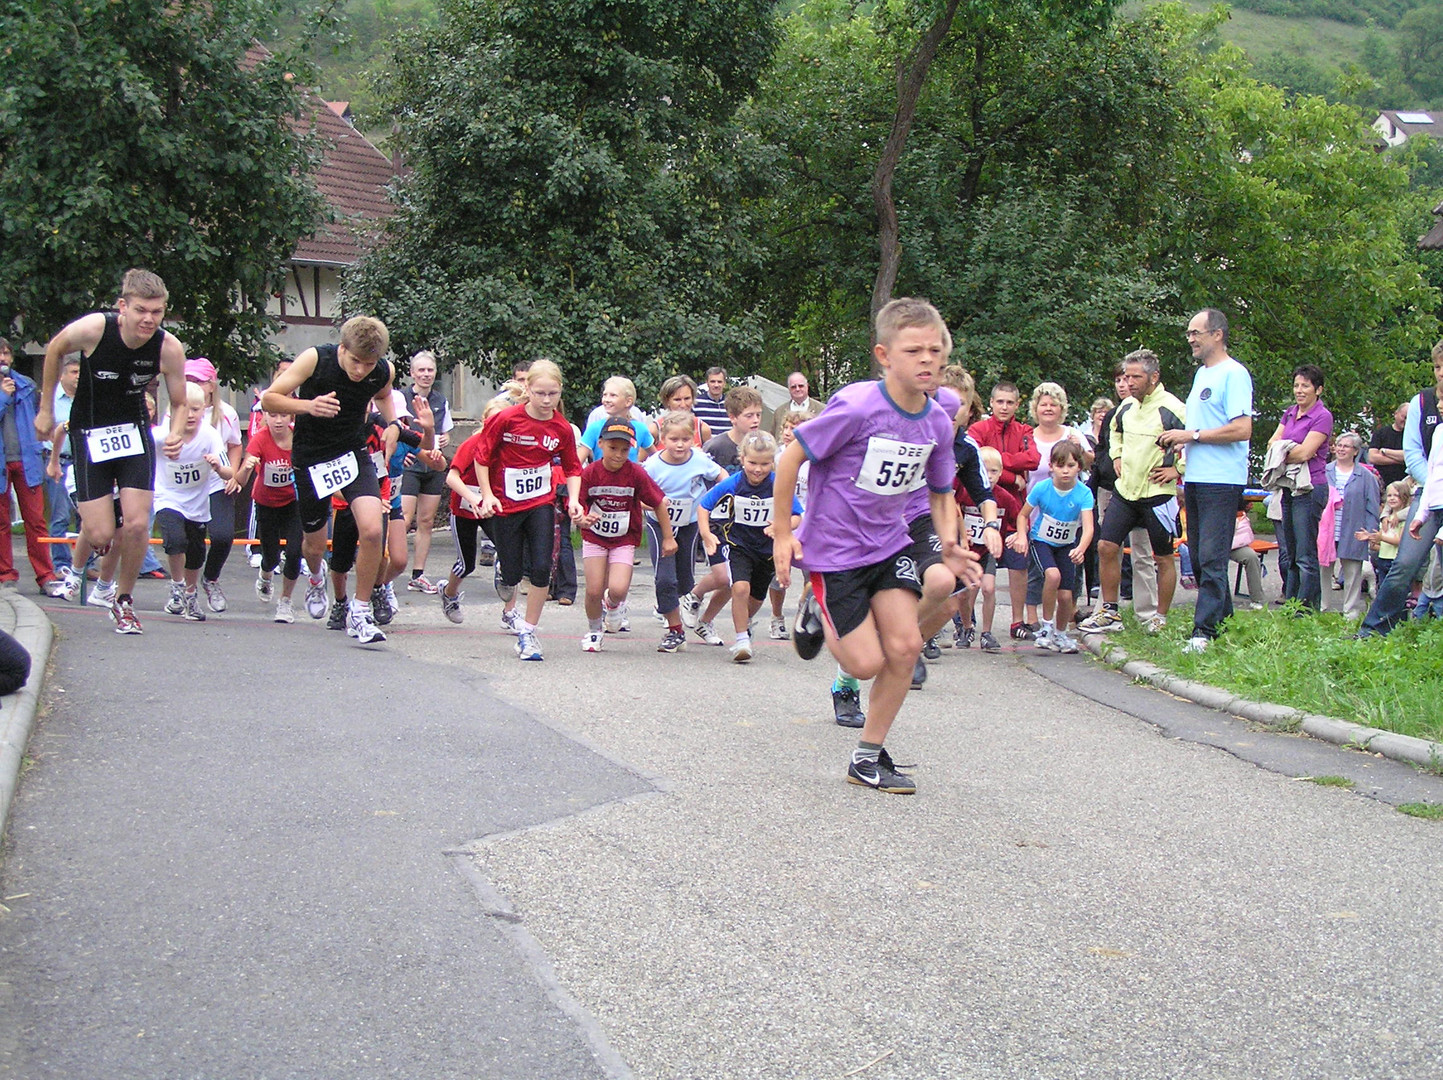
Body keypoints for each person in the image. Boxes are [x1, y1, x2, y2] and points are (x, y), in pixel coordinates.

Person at [773, 297, 978, 795]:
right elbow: (791, 458)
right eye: (913, 351)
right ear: (885, 356)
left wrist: (949, 542)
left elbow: (940, 489)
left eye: (935, 350)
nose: (927, 360)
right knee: (864, 664)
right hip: (835, 550)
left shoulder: (935, 422)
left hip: (889, 545)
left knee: (906, 647)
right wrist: (783, 532)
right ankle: (817, 610)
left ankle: (866, 757)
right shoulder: (859, 405)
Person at [34, 269, 190, 634]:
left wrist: (177, 432)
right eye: (140, 310)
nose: (149, 319)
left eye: (157, 311)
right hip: (89, 433)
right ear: (123, 307)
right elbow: (56, 347)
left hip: (133, 434)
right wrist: (45, 408)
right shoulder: (95, 329)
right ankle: (95, 561)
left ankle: (122, 599)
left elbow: (180, 401)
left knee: (136, 523)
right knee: (102, 534)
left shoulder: (168, 347)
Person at [260, 315, 399, 645]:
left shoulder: (383, 370)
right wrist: (309, 405)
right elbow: (269, 398)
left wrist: (393, 423)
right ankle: (316, 578)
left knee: (372, 528)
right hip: (311, 456)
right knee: (315, 543)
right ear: (342, 348)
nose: (361, 370)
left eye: (369, 363)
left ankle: (360, 611)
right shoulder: (315, 359)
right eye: (355, 361)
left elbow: (383, 396)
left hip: (352, 451)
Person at [471, 360, 584, 660]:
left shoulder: (561, 427)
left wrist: (573, 499)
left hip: (540, 503)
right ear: (527, 390)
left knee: (542, 566)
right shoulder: (506, 419)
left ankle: (528, 632)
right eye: (540, 393)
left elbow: (573, 468)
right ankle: (503, 569)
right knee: (511, 575)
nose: (547, 401)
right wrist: (486, 495)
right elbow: (481, 459)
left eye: (553, 394)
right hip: (506, 505)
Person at [1157, 308, 1254, 652]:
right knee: (1197, 557)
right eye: (1189, 333)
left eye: (1196, 332)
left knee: (1212, 557)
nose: (1191, 339)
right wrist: (1180, 441)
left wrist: (1191, 435)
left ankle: (1204, 632)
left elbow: (1242, 428)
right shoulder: (1201, 375)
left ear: (1217, 334)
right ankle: (1224, 621)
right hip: (1197, 478)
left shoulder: (1234, 374)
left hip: (1222, 480)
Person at [1079, 349, 1185, 636]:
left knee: (1161, 557)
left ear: (1154, 377)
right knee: (1106, 546)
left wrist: (1178, 471)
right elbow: (1113, 431)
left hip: (1158, 493)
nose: (1130, 382)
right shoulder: (1125, 407)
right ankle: (1109, 611)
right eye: (1127, 376)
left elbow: (1193, 440)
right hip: (1126, 491)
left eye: (1136, 377)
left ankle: (1159, 617)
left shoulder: (1172, 407)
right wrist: (1117, 455)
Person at [1357, 344, 1443, 637]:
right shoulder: (1423, 401)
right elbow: (1413, 451)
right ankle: (1376, 627)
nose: (1441, 373)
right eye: (1437, 367)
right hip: (1429, 494)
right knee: (1404, 562)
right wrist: (1431, 484)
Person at [698, 431, 801, 662]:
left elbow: (797, 516)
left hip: (766, 550)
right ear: (742, 459)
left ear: (772, 463)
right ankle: (742, 639)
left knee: (755, 600)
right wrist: (706, 534)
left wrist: (780, 525)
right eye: (752, 462)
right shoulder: (733, 483)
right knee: (740, 589)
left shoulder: (778, 484)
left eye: (764, 464)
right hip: (738, 545)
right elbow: (704, 506)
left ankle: (745, 626)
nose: (758, 469)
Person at [577, 418, 675, 651]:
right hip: (595, 537)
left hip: (624, 538)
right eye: (613, 448)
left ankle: (613, 604)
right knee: (593, 589)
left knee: (618, 589)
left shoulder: (635, 474)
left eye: (625, 449)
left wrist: (668, 537)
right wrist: (581, 517)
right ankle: (593, 630)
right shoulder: (590, 474)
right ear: (600, 444)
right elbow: (576, 504)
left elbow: (659, 502)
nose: (619, 455)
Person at [686, 385, 765, 644]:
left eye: (758, 414)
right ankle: (694, 595)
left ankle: (706, 622)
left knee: (735, 582)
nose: (755, 420)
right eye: (749, 415)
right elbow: (699, 476)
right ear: (733, 417)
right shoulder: (718, 446)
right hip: (718, 522)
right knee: (724, 576)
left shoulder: (762, 445)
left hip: (746, 525)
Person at [644, 410, 727, 653]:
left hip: (689, 523)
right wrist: (657, 504)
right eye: (673, 439)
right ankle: (675, 631)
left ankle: (674, 604)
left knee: (684, 580)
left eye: (685, 439)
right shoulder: (652, 465)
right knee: (665, 578)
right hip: (659, 524)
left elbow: (723, 476)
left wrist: (712, 498)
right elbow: (637, 495)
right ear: (663, 439)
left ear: (693, 439)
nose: (680, 445)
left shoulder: (700, 460)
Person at [437, 390, 517, 625]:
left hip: (492, 506)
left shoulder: (509, 449)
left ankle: (510, 612)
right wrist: (474, 500)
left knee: (509, 553)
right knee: (466, 564)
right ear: (484, 422)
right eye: (492, 421)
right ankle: (449, 594)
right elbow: (451, 479)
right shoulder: (473, 444)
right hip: (464, 509)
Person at [154, 383, 233, 621]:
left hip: (197, 505)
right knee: (175, 541)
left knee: (197, 552)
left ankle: (190, 593)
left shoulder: (210, 435)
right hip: (168, 498)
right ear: (174, 410)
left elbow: (229, 472)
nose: (190, 415)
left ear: (204, 411)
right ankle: (177, 587)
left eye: (196, 409)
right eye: (185, 409)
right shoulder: (160, 435)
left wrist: (219, 467)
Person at [968, 382, 1039, 639]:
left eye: (1010, 402)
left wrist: (998, 461)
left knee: (1018, 563)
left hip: (1013, 509)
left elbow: (1033, 459)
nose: (1004, 407)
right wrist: (1011, 476)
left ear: (1017, 405)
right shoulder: (978, 429)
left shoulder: (1024, 430)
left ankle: (1017, 622)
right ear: (991, 403)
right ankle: (966, 622)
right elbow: (974, 459)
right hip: (977, 507)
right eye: (1000, 402)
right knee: (971, 566)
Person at [1014, 442, 1095, 653]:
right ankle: (1046, 627)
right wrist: (1022, 536)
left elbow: (1088, 528)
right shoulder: (1042, 488)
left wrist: (1081, 548)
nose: (1065, 471)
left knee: (1066, 596)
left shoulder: (1084, 493)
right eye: (1060, 466)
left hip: (1066, 545)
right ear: (1051, 466)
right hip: (1041, 541)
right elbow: (1022, 515)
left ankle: (1060, 633)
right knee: (1052, 576)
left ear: (1079, 466)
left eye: (1070, 465)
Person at [0, 337, 64, 595]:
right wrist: (3, 397)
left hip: (27, 461)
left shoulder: (25, 385)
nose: (2, 358)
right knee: (2, 523)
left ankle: (45, 575)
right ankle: (6, 574)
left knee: (36, 521)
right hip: (2, 463)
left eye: (6, 353)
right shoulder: (7, 390)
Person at [179, 358, 244, 613]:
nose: (192, 385)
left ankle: (211, 578)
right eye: (188, 380)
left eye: (198, 381)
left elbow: (236, 444)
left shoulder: (226, 413)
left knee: (222, 535)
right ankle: (184, 588)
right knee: (187, 540)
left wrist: (233, 475)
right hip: (187, 484)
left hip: (217, 482)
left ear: (211, 385)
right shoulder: (175, 410)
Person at [1267, 364, 1332, 610]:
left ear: (1318, 390)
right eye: (1296, 385)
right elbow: (1272, 443)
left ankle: (1307, 608)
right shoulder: (1290, 413)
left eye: (1305, 385)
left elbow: (1306, 452)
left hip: (1310, 488)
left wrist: (1283, 450)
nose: (1299, 390)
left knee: (1305, 553)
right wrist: (1284, 449)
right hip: (1288, 487)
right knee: (1291, 550)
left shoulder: (1322, 416)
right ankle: (1292, 603)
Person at [232, 407, 302, 622]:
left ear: (291, 416)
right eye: (273, 415)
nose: (278, 421)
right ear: (265, 418)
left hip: (293, 502)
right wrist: (247, 467)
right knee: (270, 556)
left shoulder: (298, 438)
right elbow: (240, 480)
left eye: (283, 415)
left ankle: (285, 601)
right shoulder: (260, 439)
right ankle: (265, 574)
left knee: (294, 551)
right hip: (266, 503)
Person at [955, 445, 1021, 653]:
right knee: (965, 593)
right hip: (968, 550)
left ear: (1001, 473)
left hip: (989, 551)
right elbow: (953, 509)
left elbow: (1019, 515)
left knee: (989, 588)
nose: (989, 476)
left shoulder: (1004, 497)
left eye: (994, 471)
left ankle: (987, 632)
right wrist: (959, 534)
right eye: (985, 470)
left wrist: (1019, 535)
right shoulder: (966, 493)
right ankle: (967, 627)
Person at [401, 350, 454, 594]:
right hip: (409, 464)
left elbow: (446, 431)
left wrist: (443, 440)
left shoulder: (440, 400)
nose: (425, 375)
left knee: (426, 521)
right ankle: (386, 569)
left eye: (430, 370)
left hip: (433, 464)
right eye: (421, 370)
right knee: (402, 519)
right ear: (412, 373)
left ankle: (418, 574)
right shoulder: (400, 398)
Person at [1324, 431, 1379, 620]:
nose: (1341, 449)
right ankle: (1323, 610)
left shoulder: (1366, 476)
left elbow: (1372, 508)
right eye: (1339, 445)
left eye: (1346, 446)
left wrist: (1371, 533)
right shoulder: (1325, 471)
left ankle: (1351, 613)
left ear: (1355, 451)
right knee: (1324, 571)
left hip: (1354, 531)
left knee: (1353, 574)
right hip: (1328, 531)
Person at [46, 356, 80, 576]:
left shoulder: (87, 398)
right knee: (60, 516)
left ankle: (85, 565)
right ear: (62, 375)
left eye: (80, 372)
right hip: (58, 460)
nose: (78, 377)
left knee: (85, 515)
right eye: (74, 372)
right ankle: (60, 564)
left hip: (83, 461)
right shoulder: (50, 401)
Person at [579, 377, 655, 463]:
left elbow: (656, 458)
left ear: (628, 401)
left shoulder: (640, 428)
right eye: (605, 395)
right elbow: (577, 463)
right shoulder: (595, 427)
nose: (606, 400)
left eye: (613, 395)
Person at [1359, 479, 1412, 591]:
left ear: (1405, 496)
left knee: (1394, 590)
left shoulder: (1403, 519)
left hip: (1395, 560)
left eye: (1396, 495)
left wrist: (1381, 537)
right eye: (1389, 495)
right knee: (1382, 589)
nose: (1392, 498)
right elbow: (1380, 544)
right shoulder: (1386, 519)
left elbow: (1399, 541)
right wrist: (1370, 537)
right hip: (1382, 558)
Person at [648, 375, 713, 447]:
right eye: (677, 400)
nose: (683, 404)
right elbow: (641, 458)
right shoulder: (655, 430)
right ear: (667, 401)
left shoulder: (702, 429)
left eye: (687, 398)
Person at [769, 371, 824, 438]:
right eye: (793, 387)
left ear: (807, 386)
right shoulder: (779, 412)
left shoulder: (822, 409)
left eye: (801, 386)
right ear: (789, 389)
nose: (797, 389)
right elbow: (773, 437)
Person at [1369, 402, 1410, 490]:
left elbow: (1409, 456)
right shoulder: (1381, 433)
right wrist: (1400, 460)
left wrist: (1385, 452)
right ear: (1396, 414)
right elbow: (1372, 457)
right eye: (1404, 417)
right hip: (1381, 483)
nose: (1406, 421)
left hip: (1404, 485)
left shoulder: (1413, 436)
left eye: (1409, 418)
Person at [692, 366, 730, 433]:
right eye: (712, 381)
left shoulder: (731, 403)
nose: (716, 385)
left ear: (724, 383)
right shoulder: (696, 403)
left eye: (719, 382)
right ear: (707, 382)